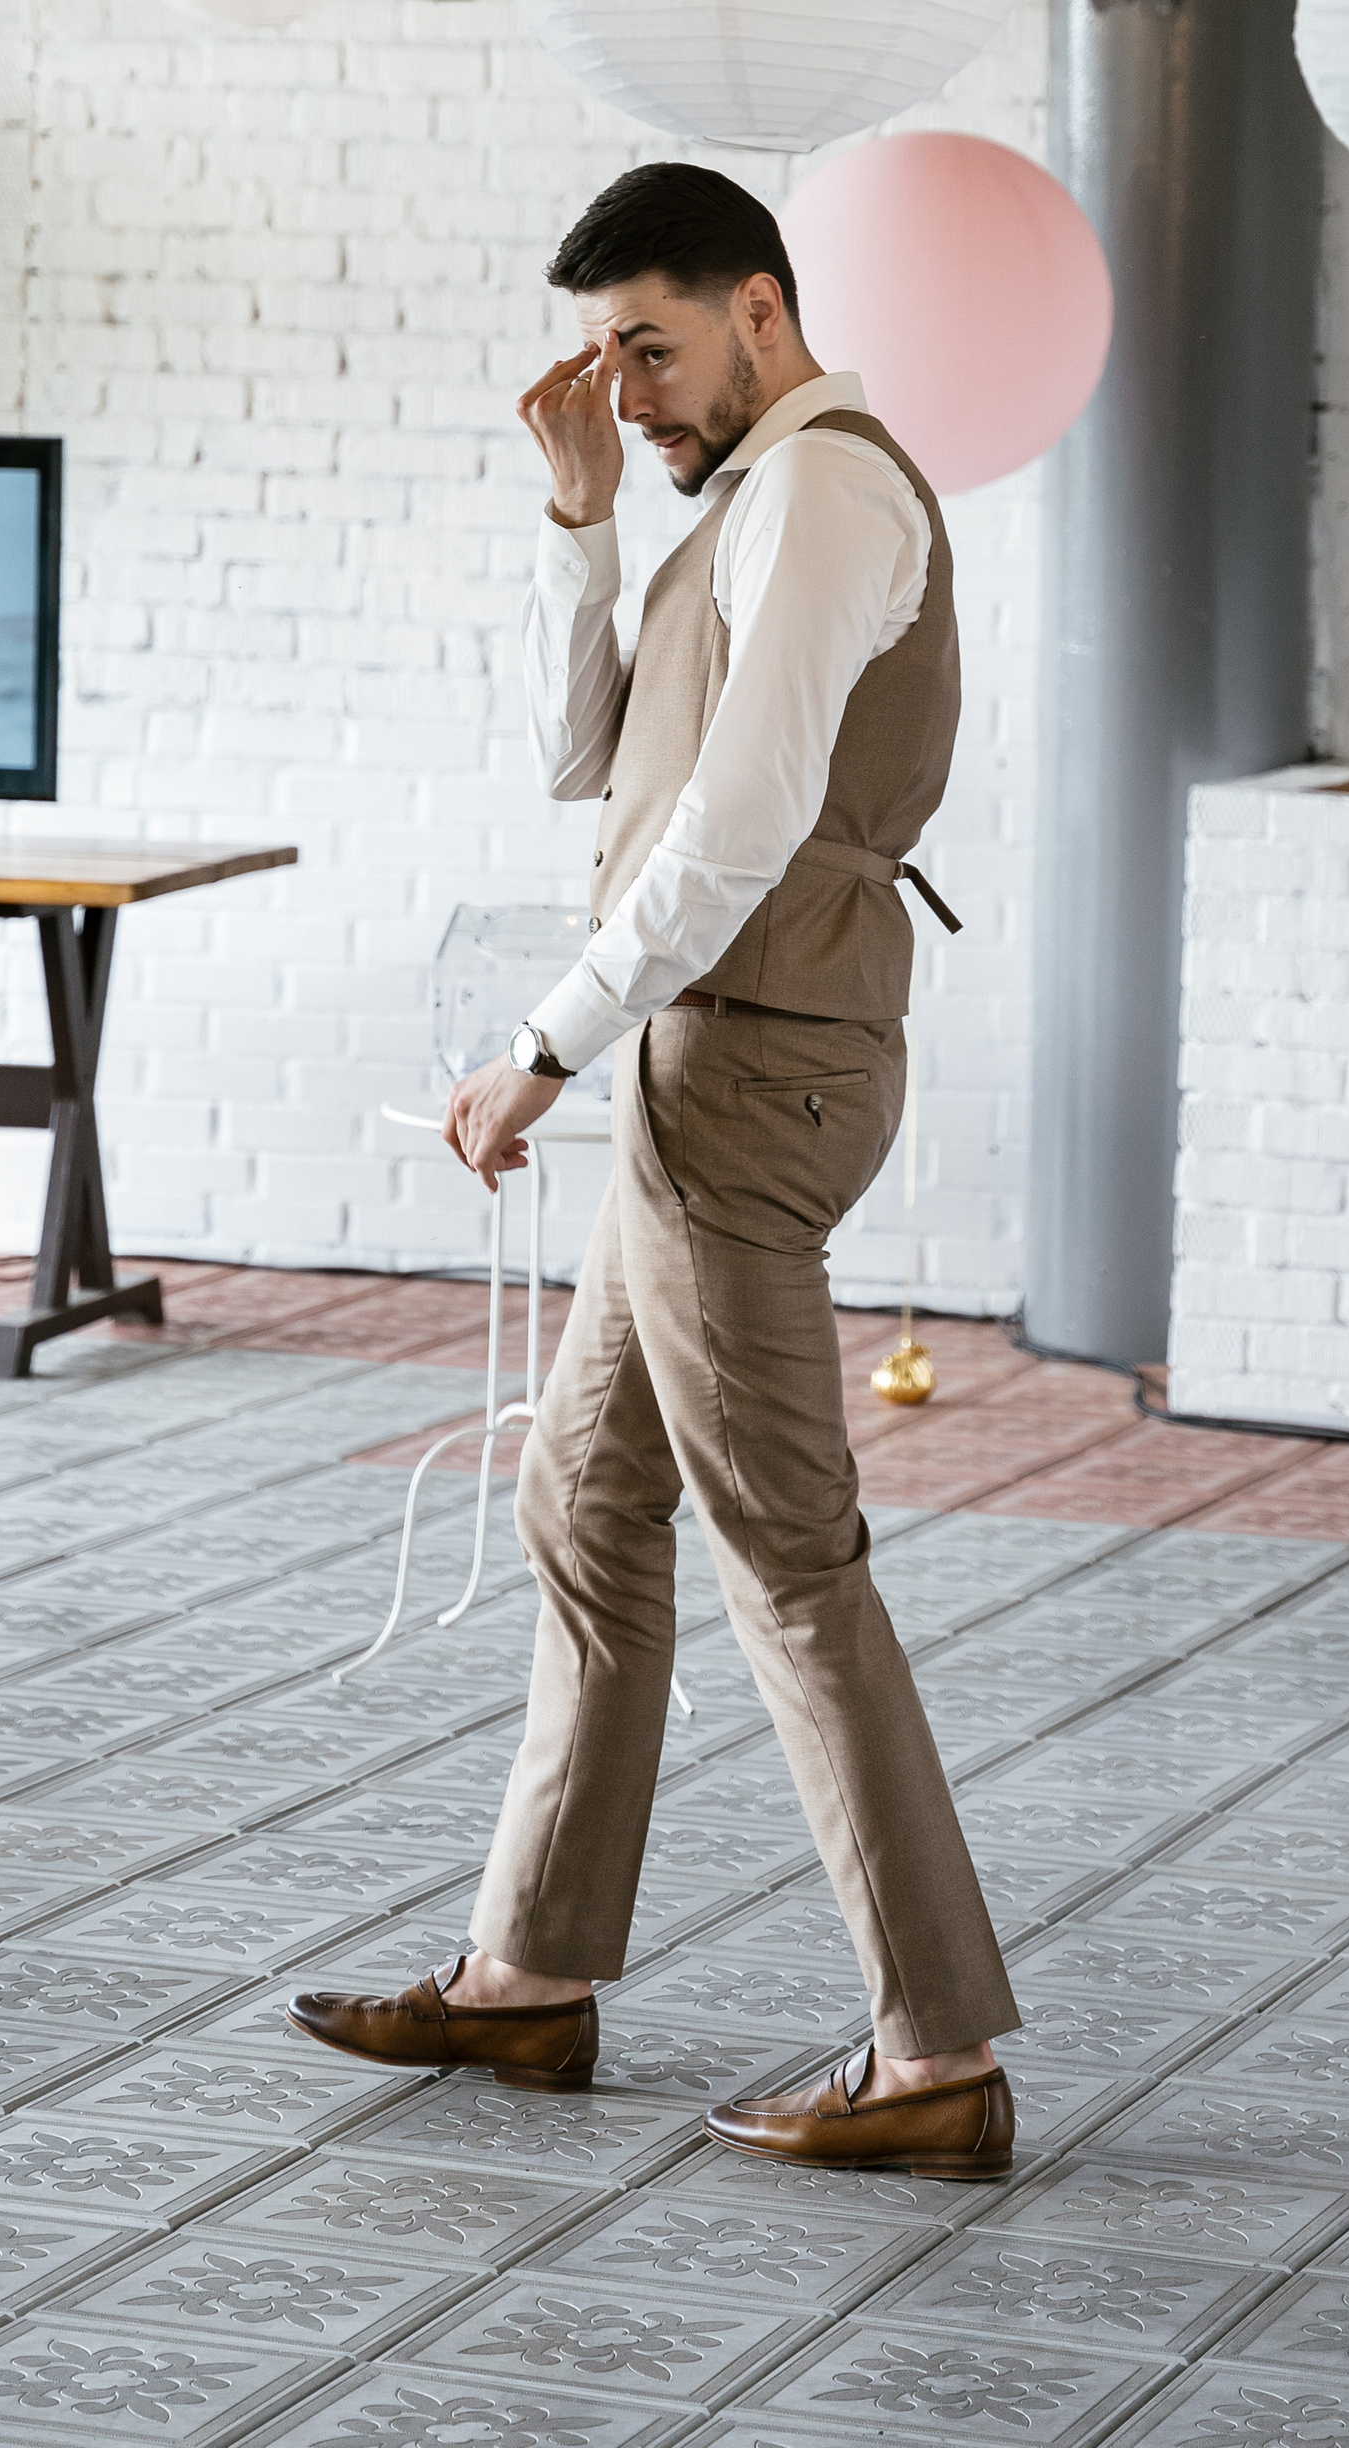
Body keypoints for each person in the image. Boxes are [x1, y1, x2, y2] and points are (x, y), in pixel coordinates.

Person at [290, 161, 1018, 2179]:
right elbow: (583, 761)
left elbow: (743, 822)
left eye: (649, 346)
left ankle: (936, 2050)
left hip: (750, 1072)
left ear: (759, 311)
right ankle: (525, 1982)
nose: (620, 388)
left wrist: (537, 1049)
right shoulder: (729, 500)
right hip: (708, 1063)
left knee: (787, 1557)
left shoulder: (831, 490)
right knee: (584, 1499)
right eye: (601, 351)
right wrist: (579, 531)